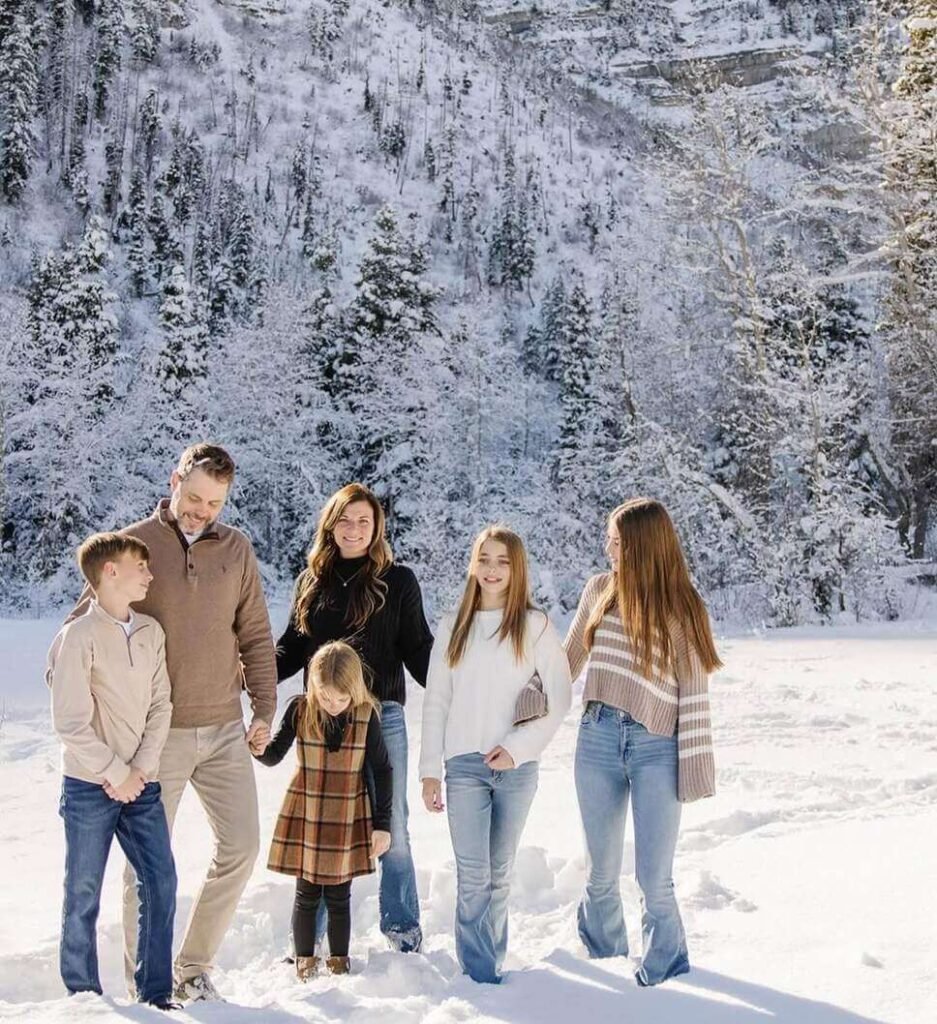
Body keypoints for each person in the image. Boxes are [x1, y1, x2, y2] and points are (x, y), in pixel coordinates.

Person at [69, 442, 277, 1003]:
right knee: (146, 866)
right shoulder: (135, 546)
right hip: (154, 738)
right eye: (194, 497)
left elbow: (255, 634)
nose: (200, 510)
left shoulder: (236, 550)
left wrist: (263, 707)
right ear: (174, 480)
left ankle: (193, 967)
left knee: (241, 847)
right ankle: (149, 980)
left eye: (214, 502)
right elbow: (82, 628)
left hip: (224, 730)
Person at [564, 498, 721, 987]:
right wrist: (519, 710)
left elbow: (694, 690)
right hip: (596, 739)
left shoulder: (681, 605)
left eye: (617, 541)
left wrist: (694, 767)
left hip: (656, 747)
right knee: (600, 874)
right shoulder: (598, 591)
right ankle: (605, 963)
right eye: (609, 539)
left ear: (643, 547)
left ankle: (666, 973)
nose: (608, 548)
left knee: (654, 879)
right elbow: (565, 662)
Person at [276, 483, 432, 953]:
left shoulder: (397, 581)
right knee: (323, 818)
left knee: (394, 825)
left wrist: (457, 689)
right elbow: (293, 646)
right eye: (345, 519)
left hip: (380, 714)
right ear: (331, 525)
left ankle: (402, 929)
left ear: (377, 527)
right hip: (322, 719)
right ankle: (313, 936)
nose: (355, 529)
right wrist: (249, 671)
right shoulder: (312, 582)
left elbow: (418, 649)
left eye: (364, 521)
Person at [420, 525, 571, 984]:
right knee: (473, 875)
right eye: (484, 559)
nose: (492, 569)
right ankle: (479, 975)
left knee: (499, 874)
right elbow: (436, 701)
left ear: (517, 568)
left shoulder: (535, 625)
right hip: (464, 765)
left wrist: (519, 748)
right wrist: (430, 772)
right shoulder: (453, 626)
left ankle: (493, 964)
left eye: (502, 561)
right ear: (473, 564)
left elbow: (560, 697)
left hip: (516, 768)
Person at [48, 533, 178, 1011]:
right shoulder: (77, 637)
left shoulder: (150, 632)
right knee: (83, 890)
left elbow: (162, 704)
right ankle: (83, 997)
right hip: (88, 785)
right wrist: (113, 772)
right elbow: (70, 723)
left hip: (142, 783)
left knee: (161, 880)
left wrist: (140, 769)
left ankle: (156, 995)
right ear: (109, 572)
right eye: (139, 566)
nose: (148, 574)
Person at [255, 642, 392, 978]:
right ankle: (304, 963)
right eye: (326, 697)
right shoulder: (301, 711)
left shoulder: (365, 715)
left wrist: (382, 824)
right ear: (313, 687)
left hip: (347, 811)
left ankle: (339, 962)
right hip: (309, 809)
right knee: (306, 893)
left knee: (339, 895)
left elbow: (382, 769)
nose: (333, 706)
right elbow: (273, 755)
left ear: (354, 690)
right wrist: (256, 746)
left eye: (341, 699)